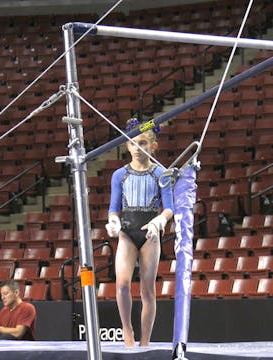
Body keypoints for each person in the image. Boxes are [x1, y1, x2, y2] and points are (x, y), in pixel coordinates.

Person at [106, 118, 174, 347]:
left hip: (150, 234)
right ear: (127, 145)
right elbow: (113, 208)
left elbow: (170, 207)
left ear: (153, 146)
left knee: (147, 290)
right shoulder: (119, 175)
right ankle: (127, 330)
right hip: (127, 232)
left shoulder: (161, 174)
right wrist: (114, 222)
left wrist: (159, 221)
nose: (137, 148)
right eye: (133, 143)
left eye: (143, 143)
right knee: (122, 284)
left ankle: (145, 341)